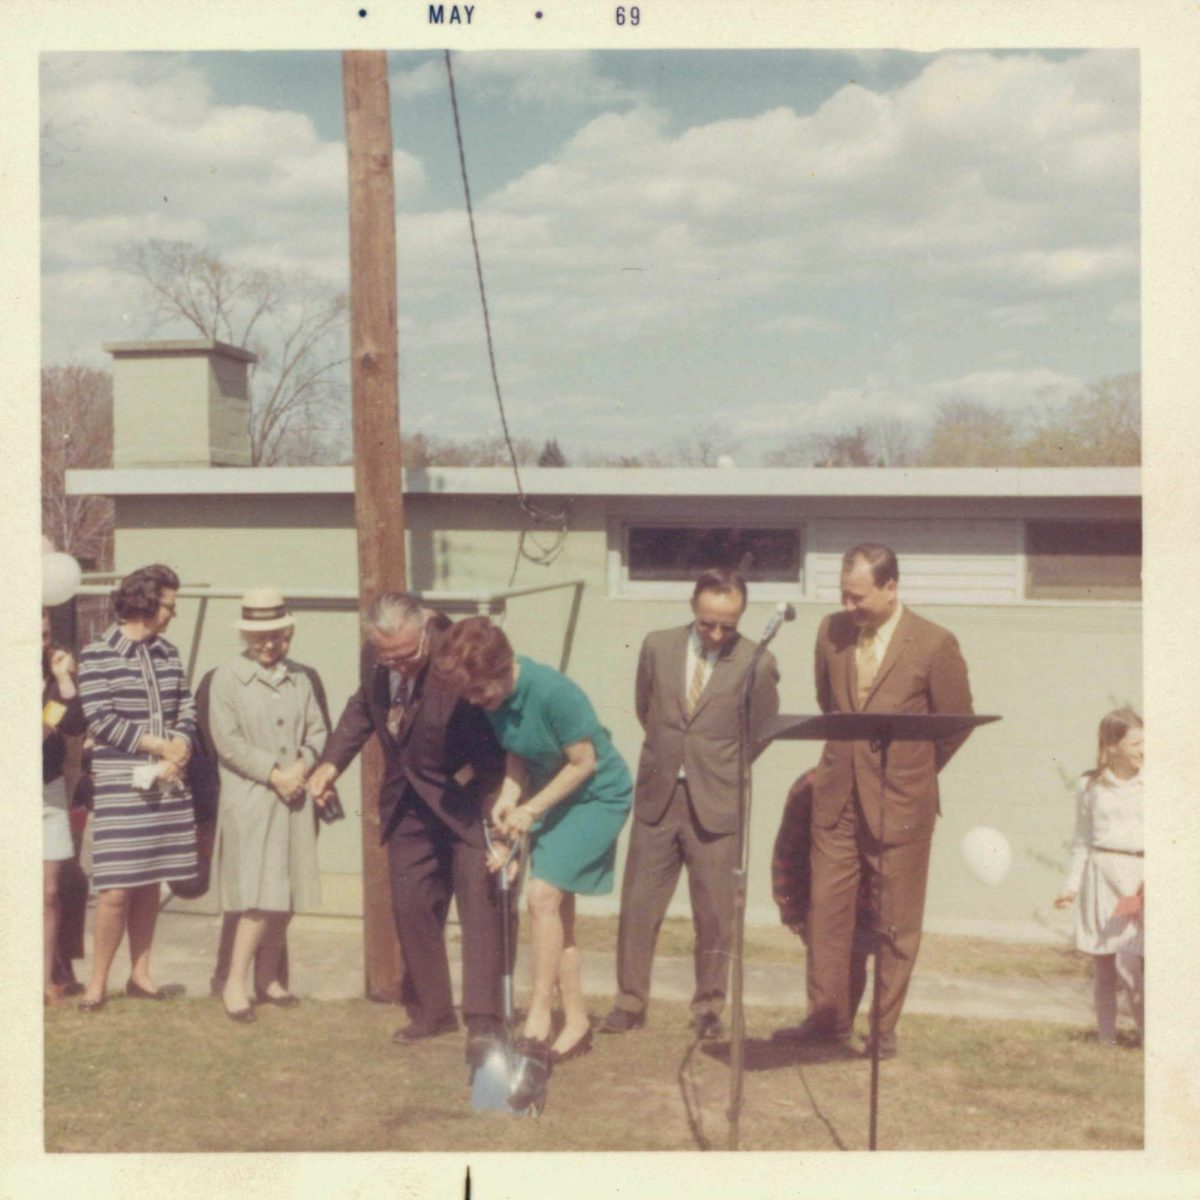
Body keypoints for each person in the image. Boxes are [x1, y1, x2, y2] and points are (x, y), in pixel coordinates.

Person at [774, 544, 973, 1059]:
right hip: (836, 797)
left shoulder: (934, 643)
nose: (849, 605)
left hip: (901, 805)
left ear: (891, 587)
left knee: (895, 922)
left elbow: (954, 725)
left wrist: (909, 774)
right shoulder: (831, 632)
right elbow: (830, 704)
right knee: (828, 914)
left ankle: (881, 1032)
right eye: (843, 594)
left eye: (858, 596)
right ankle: (826, 1021)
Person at [307, 593, 507, 1064]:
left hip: (469, 797)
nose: (398, 664)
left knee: (480, 907)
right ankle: (433, 1012)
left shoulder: (454, 652)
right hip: (408, 802)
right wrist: (330, 764)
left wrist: (501, 815)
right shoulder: (378, 654)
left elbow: (497, 735)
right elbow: (363, 706)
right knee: (412, 903)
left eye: (407, 655)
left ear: (426, 629)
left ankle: (484, 1021)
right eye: (388, 655)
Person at [433, 616, 632, 1073]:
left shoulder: (555, 691)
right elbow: (519, 749)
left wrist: (531, 810)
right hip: (553, 795)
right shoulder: (494, 700)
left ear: (502, 668)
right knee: (556, 912)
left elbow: (584, 764)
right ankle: (577, 1022)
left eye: (479, 692)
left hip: (598, 796)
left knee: (541, 895)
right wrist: (508, 796)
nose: (474, 701)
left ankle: (540, 1013)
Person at [597, 568, 779, 1041]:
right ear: (693, 609)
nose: (717, 634)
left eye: (728, 625)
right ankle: (629, 1001)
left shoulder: (757, 663)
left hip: (716, 803)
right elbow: (647, 709)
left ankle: (709, 1009)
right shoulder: (658, 646)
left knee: (715, 914)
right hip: (659, 797)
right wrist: (674, 756)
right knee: (638, 906)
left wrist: (714, 764)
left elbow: (760, 730)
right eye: (707, 623)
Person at [76, 563, 198, 1011]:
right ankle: (97, 983)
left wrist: (181, 743)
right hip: (121, 786)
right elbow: (102, 720)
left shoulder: (168, 652)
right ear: (146, 603)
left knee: (150, 880)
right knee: (115, 890)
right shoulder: (97, 654)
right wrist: (160, 745)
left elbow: (185, 704)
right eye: (169, 604)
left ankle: (140, 974)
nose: (173, 613)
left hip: (165, 784)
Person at [207, 588, 328, 1022]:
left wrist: (302, 765)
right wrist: (275, 774)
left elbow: (317, 731)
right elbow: (228, 743)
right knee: (257, 895)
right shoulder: (226, 677)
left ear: (288, 631)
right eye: (260, 636)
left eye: (277, 635)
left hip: (293, 799)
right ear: (245, 635)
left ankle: (267, 978)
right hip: (253, 799)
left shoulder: (300, 678)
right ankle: (235, 983)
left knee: (287, 891)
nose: (270, 644)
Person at [1054, 709, 1144, 1046]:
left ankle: (1149, 1040)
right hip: (1100, 877)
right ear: (1113, 745)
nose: (1143, 749)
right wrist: (1071, 888)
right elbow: (1082, 841)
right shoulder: (1090, 785)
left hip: (1137, 880)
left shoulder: (1153, 782)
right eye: (1136, 742)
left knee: (1129, 962)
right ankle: (1107, 1040)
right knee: (1104, 963)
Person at [771, 770, 870, 1035]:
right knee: (827, 949)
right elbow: (787, 851)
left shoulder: (885, 788)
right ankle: (826, 1024)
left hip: (867, 896)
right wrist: (790, 907)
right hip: (820, 892)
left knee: (855, 954)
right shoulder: (809, 787)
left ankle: (841, 1025)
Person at [42, 611, 86, 1006]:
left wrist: (63, 679)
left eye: (46, 634)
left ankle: (45, 980)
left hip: (49, 791)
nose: (41, 642)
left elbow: (72, 725)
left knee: (51, 890)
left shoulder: (54, 676)